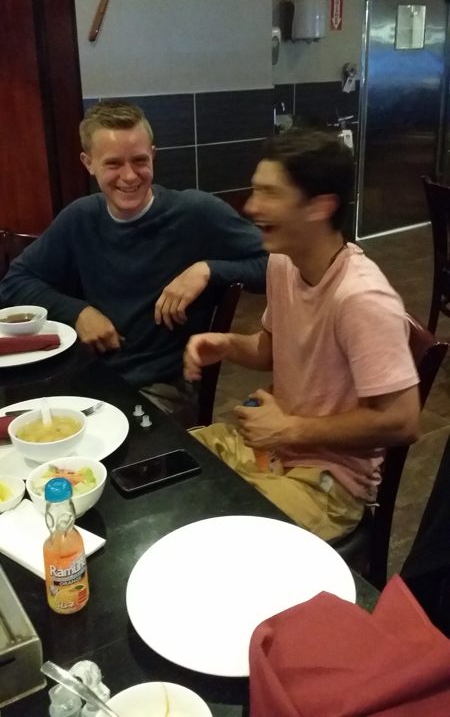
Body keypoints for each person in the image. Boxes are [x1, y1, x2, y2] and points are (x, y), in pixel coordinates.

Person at [184, 129, 421, 540]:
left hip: (329, 483)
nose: (251, 206)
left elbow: (403, 422)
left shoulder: (361, 298)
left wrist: (289, 429)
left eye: (270, 193)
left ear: (320, 206)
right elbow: (269, 350)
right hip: (273, 450)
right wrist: (227, 344)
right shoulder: (283, 262)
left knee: (212, 531)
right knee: (175, 465)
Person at [0, 100, 267, 422]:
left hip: (161, 387)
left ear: (153, 155)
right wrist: (79, 312)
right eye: (113, 164)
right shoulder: (80, 217)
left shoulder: (196, 212)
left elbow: (277, 265)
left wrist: (208, 270)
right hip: (84, 376)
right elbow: (14, 282)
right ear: (88, 163)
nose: (129, 176)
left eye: (140, 160)